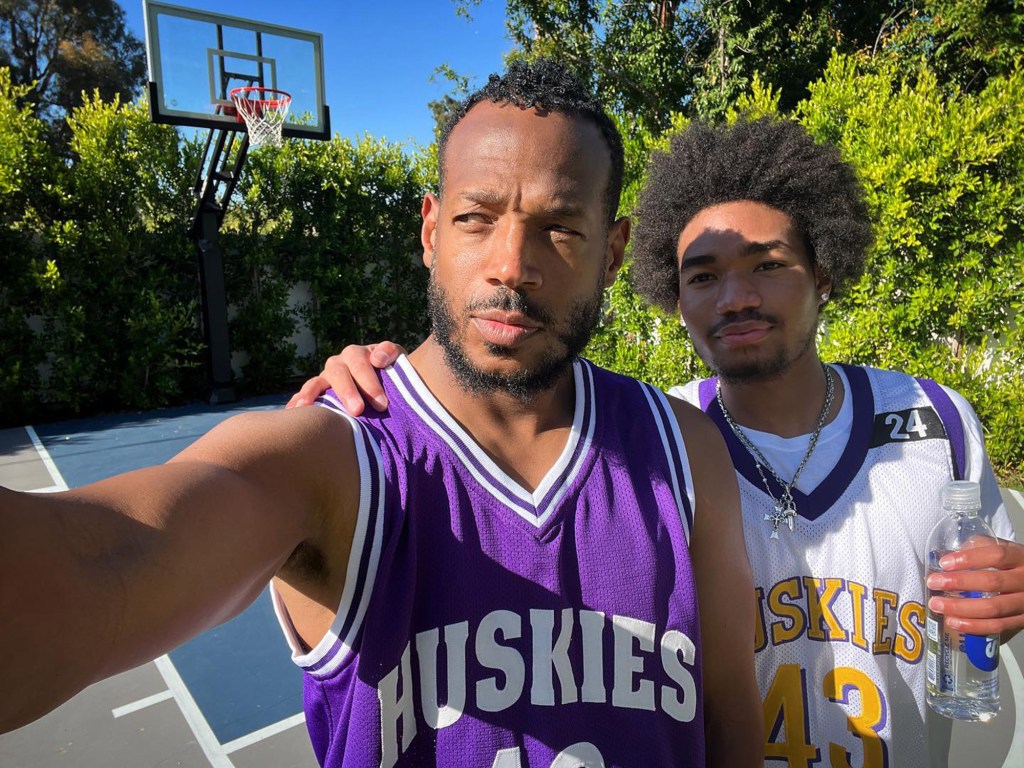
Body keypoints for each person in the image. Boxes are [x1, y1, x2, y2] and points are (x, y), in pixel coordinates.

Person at [0, 60, 763, 767]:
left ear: (614, 249)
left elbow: (730, 717)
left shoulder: (685, 450)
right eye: (476, 217)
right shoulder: (335, 458)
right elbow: (107, 560)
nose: (512, 265)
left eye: (560, 228)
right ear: (431, 229)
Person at [290, 117, 1024, 766]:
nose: (735, 297)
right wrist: (374, 380)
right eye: (703, 276)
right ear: (673, 297)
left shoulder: (935, 422)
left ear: (824, 270)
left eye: (769, 265)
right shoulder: (653, 448)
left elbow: (987, 609)